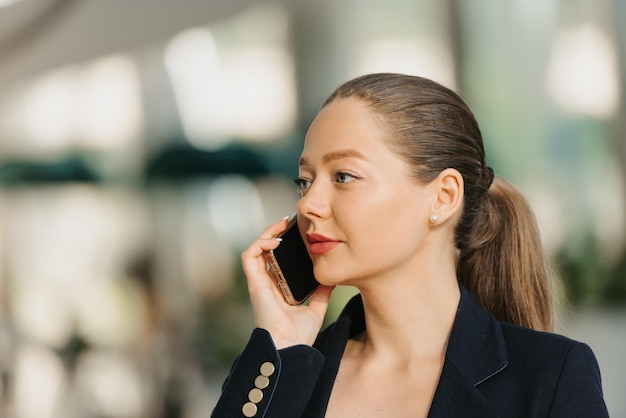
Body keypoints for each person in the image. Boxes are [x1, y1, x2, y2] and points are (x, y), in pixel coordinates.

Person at [211, 73, 609, 417]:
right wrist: (281, 343)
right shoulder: (277, 373)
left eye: (344, 176)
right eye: (305, 180)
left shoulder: (550, 376)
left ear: (443, 196)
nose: (308, 203)